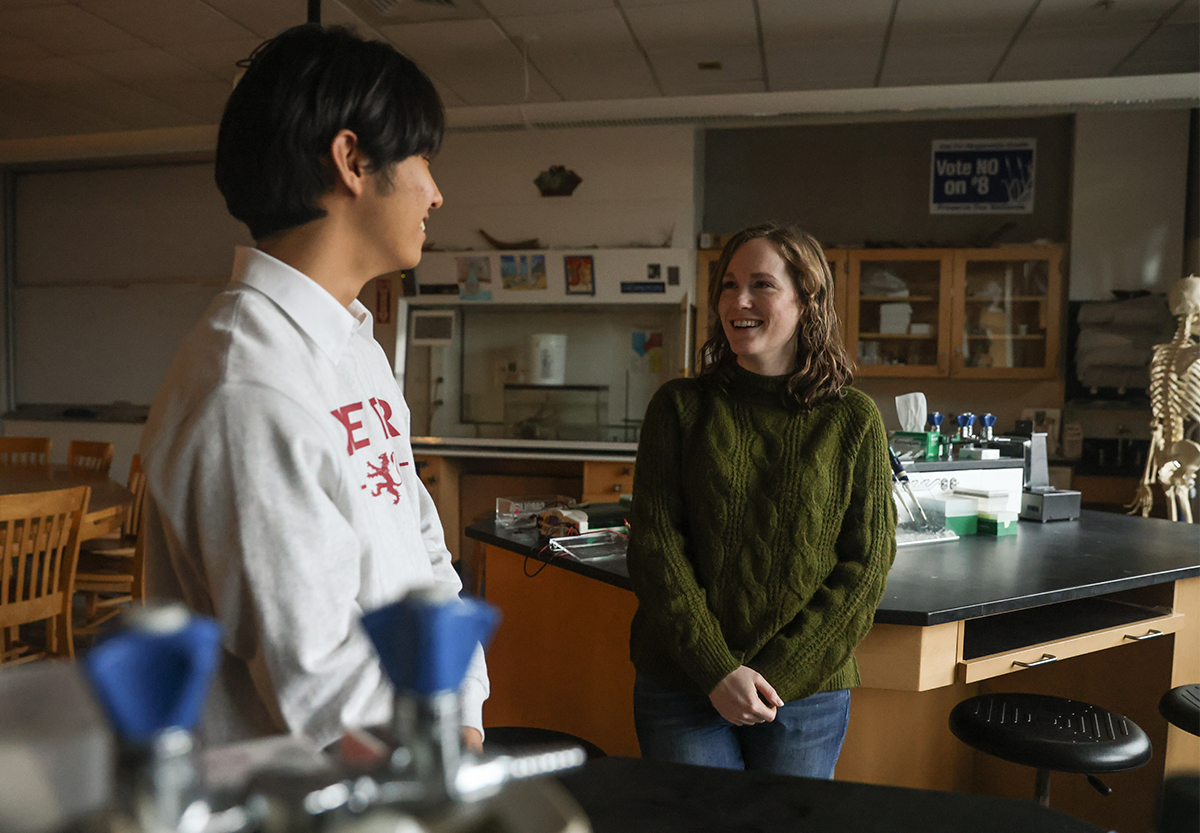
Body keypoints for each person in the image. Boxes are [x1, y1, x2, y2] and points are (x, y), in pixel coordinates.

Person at [139, 24, 488, 751]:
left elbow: (424, 552)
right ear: (353, 159)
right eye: (424, 156)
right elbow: (318, 678)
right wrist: (438, 765)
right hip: (313, 795)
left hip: (409, 764)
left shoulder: (352, 343)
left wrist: (464, 715)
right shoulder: (248, 383)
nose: (437, 191)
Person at [626, 223, 896, 777]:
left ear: (807, 300)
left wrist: (775, 677)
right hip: (683, 684)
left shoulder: (853, 420)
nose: (738, 301)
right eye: (728, 285)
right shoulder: (679, 408)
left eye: (761, 285)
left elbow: (865, 566)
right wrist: (716, 671)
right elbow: (656, 548)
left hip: (804, 697)